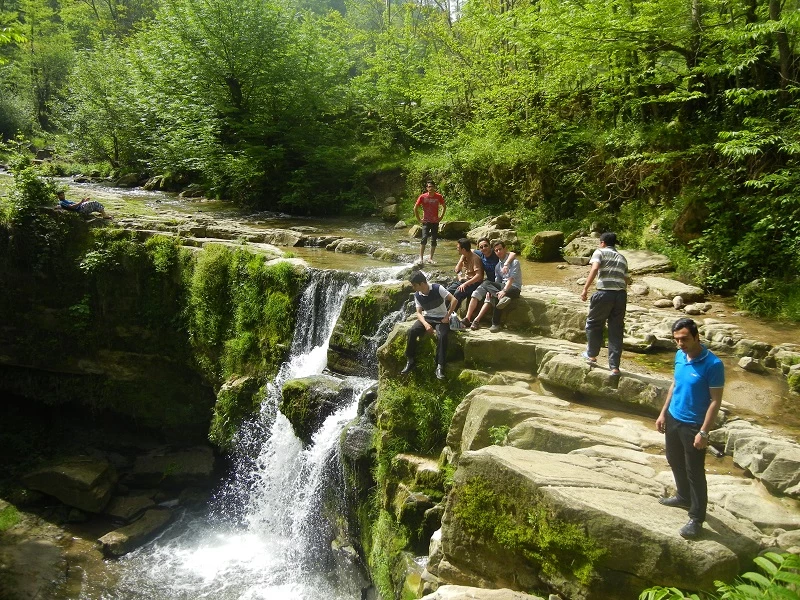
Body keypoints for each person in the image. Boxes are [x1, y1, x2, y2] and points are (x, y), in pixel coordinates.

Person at [655, 318, 724, 540]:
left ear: (696, 337)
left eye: (684, 338)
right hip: (674, 417)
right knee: (673, 458)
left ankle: (696, 518)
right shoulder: (679, 356)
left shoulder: (713, 364)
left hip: (694, 424)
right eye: (676, 339)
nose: (680, 343)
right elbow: (675, 384)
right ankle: (683, 496)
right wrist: (663, 412)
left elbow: (715, 401)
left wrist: (704, 432)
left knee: (695, 471)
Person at [580, 232, 629, 375]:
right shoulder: (623, 258)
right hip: (620, 295)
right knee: (616, 330)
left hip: (604, 293)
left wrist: (585, 289)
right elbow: (626, 279)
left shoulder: (599, 252)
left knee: (594, 324)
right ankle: (614, 367)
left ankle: (591, 355)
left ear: (602, 242)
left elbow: (595, 268)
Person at [401, 271, 458, 380]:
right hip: (427, 318)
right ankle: (410, 360)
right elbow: (418, 313)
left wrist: (447, 316)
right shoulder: (417, 295)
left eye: (414, 285)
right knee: (412, 331)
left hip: (441, 318)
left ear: (422, 283)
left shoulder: (437, 288)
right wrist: (426, 324)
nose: (413, 288)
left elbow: (454, 300)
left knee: (442, 336)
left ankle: (440, 366)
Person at [461, 241, 522, 332]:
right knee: (487, 284)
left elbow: (511, 279)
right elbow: (497, 282)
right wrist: (491, 291)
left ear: (505, 249)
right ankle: (492, 320)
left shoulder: (514, 262)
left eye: (500, 249)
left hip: (514, 288)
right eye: (496, 250)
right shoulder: (498, 266)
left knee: (498, 295)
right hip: (503, 287)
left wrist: (504, 291)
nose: (498, 252)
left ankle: (495, 324)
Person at [446, 238, 484, 312]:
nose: (457, 249)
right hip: (465, 280)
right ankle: (443, 312)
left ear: (463, 249)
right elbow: (457, 269)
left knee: (458, 293)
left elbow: (479, 276)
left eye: (458, 247)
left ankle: (450, 314)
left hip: (474, 283)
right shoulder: (464, 255)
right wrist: (460, 277)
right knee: (448, 291)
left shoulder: (475, 258)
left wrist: (465, 284)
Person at [414, 181, 446, 264]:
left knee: (434, 240)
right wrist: (419, 219)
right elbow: (415, 208)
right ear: (426, 188)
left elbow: (444, 206)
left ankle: (430, 258)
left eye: (432, 186)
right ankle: (421, 258)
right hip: (426, 221)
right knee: (424, 238)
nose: (430, 188)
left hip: (435, 222)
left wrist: (441, 217)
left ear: (434, 187)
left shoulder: (438, 196)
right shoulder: (423, 197)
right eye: (429, 186)